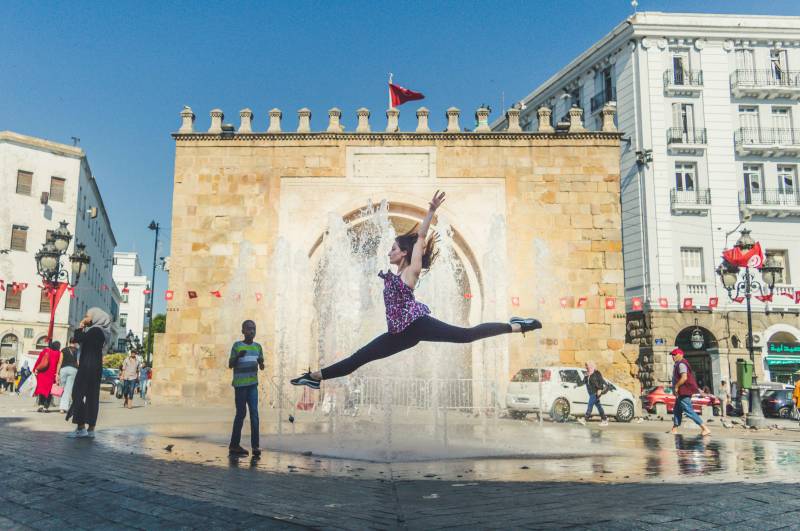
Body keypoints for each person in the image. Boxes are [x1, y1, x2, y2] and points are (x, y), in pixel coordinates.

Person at [291, 191, 541, 389]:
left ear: (404, 253)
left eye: (393, 249)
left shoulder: (411, 272)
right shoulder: (395, 274)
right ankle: (315, 377)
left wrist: (431, 211)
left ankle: (517, 325)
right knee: (360, 357)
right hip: (399, 334)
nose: (389, 252)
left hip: (417, 324)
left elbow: (420, 238)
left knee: (466, 336)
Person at [66, 308, 111, 438]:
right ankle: (90, 428)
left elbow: (77, 338)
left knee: (77, 393)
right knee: (92, 396)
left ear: (96, 317)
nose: (85, 317)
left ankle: (81, 427)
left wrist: (81, 325)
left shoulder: (96, 330)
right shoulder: (102, 331)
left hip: (88, 366)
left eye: (87, 315)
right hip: (95, 366)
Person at [228, 320, 265, 457]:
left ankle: (255, 446)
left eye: (254, 328)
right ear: (243, 331)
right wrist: (238, 356)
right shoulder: (237, 346)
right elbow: (230, 364)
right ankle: (234, 445)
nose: (252, 331)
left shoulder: (258, 347)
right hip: (240, 386)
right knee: (241, 414)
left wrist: (261, 364)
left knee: (254, 414)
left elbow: (261, 366)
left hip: (252, 386)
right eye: (249, 328)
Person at [670, 347, 711, 437]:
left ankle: (705, 428)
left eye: (674, 355)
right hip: (681, 392)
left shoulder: (681, 364)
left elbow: (684, 377)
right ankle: (674, 428)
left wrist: (676, 386)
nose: (673, 357)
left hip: (684, 391)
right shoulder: (678, 364)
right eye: (672, 355)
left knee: (688, 410)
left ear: (680, 355)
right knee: (677, 409)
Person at [576, 361, 609, 426]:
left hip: (595, 392)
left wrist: (599, 389)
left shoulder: (597, 373)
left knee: (590, 405)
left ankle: (585, 419)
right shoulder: (587, 374)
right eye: (586, 366)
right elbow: (583, 382)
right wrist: (577, 385)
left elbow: (601, 381)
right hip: (591, 393)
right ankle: (604, 419)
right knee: (599, 406)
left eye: (587, 365)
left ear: (591, 366)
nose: (586, 367)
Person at [33, 341, 61, 412]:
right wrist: (57, 374)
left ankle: (40, 406)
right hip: (51, 375)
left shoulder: (45, 351)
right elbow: (59, 364)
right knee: (49, 392)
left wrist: (35, 369)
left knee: (41, 391)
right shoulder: (58, 353)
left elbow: (39, 360)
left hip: (42, 374)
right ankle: (46, 407)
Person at [55, 339, 79, 413]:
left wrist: (57, 373)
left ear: (69, 342)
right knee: (68, 389)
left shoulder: (63, 350)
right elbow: (78, 362)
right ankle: (63, 407)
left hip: (63, 369)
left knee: (62, 388)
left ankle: (62, 405)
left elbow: (60, 362)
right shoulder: (77, 351)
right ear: (75, 343)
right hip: (73, 370)